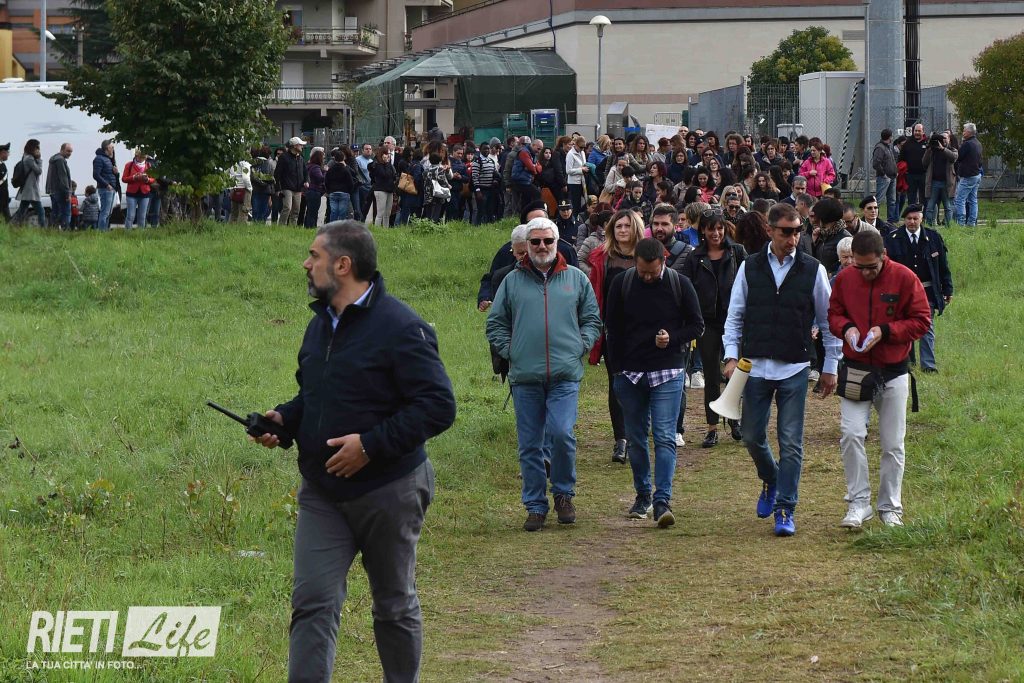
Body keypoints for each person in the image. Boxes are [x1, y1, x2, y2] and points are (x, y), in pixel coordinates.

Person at [251, 220, 456, 683]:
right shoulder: (319, 325)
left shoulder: (401, 327)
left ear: (343, 265)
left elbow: (438, 406)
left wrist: (370, 445)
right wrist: (285, 421)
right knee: (312, 602)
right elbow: (317, 396)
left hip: (390, 489)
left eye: (314, 256)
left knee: (393, 604)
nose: (306, 264)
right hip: (323, 492)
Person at [723, 202, 841, 537]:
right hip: (755, 366)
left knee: (790, 442)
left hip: (795, 366)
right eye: (786, 232)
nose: (793, 238)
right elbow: (735, 316)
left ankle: (786, 507)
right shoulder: (749, 267)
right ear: (770, 230)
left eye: (798, 231)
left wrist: (831, 365)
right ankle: (772, 479)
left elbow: (828, 321)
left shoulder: (813, 269)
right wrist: (730, 357)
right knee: (751, 435)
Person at [485, 217, 602, 531]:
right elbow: (495, 323)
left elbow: (592, 319)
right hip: (525, 376)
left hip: (565, 373)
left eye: (547, 241)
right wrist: (512, 350)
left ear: (557, 242)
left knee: (562, 433)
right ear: (527, 245)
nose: (541, 247)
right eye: (535, 241)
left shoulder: (576, 278)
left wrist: (581, 344)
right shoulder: (512, 281)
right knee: (530, 444)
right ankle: (535, 505)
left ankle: (563, 493)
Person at [829, 229, 931, 528]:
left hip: (893, 371)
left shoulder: (905, 278)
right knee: (851, 434)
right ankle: (859, 503)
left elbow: (922, 321)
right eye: (858, 266)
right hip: (856, 370)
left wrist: (885, 331)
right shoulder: (845, 279)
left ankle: (890, 507)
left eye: (871, 267)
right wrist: (846, 328)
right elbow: (833, 314)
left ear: (884, 256)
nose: (864, 273)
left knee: (893, 443)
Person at [605, 238, 703, 527]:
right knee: (636, 439)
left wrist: (672, 338)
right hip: (629, 373)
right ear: (635, 262)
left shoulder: (680, 284)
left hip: (667, 370)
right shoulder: (621, 284)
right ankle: (643, 495)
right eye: (642, 271)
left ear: (663, 261)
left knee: (664, 436)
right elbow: (611, 328)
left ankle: (662, 501)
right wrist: (617, 371)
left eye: (652, 272)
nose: (647, 277)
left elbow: (697, 325)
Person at [681, 207, 747, 447]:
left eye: (720, 228)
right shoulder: (694, 257)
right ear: (703, 231)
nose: (716, 233)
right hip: (707, 322)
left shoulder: (737, 252)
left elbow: (747, 283)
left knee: (736, 373)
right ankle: (712, 427)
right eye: (711, 229)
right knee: (710, 375)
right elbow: (687, 289)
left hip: (734, 321)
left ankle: (734, 419)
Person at [587, 209, 645, 463]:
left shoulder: (648, 254)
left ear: (636, 228)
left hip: (644, 331)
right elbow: (594, 294)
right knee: (617, 384)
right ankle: (621, 438)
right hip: (613, 330)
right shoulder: (603, 257)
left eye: (627, 226)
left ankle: (638, 434)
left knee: (642, 384)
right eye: (618, 226)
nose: (622, 230)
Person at [883, 204, 953, 373]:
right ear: (904, 220)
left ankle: (928, 365)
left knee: (927, 326)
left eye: (915, 218)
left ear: (921, 219)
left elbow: (943, 266)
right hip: (901, 292)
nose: (912, 222)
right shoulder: (892, 239)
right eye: (909, 219)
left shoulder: (933, 238)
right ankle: (908, 362)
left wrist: (948, 289)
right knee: (905, 326)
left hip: (926, 291)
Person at [923, 131, 958, 227]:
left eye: (945, 138)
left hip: (947, 183)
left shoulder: (952, 150)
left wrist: (943, 149)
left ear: (949, 139)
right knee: (930, 206)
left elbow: (953, 158)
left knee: (948, 207)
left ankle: (948, 226)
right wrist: (929, 148)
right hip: (934, 182)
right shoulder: (932, 151)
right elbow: (924, 163)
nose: (943, 140)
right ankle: (929, 226)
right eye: (941, 138)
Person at [953, 122, 983, 227]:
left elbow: (959, 157)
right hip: (977, 174)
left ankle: (961, 222)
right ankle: (972, 222)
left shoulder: (967, 144)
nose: (963, 132)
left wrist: (960, 145)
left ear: (969, 132)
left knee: (960, 199)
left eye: (964, 131)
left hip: (968, 176)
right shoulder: (978, 143)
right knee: (973, 200)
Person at [276, 137, 308, 226]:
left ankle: (292, 228)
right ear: (295, 146)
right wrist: (278, 188)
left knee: (296, 210)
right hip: (287, 187)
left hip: (298, 188)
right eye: (300, 145)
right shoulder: (283, 157)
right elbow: (277, 173)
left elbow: (305, 172)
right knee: (287, 207)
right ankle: (281, 227)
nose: (302, 147)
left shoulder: (300, 158)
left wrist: (306, 181)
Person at [13, 139, 44, 226]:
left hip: (27, 189)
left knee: (22, 210)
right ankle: (43, 229)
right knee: (41, 211)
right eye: (37, 147)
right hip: (31, 190)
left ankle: (13, 225)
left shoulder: (25, 156)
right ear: (32, 147)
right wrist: (39, 159)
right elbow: (39, 171)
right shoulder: (29, 159)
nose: (38, 149)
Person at [899, 123, 929, 207]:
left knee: (924, 198)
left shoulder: (927, 143)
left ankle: (923, 214)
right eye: (915, 131)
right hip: (910, 175)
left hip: (924, 174)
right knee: (911, 198)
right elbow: (901, 158)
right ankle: (911, 212)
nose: (917, 133)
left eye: (919, 131)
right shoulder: (907, 143)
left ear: (923, 132)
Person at [45, 142, 73, 229]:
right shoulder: (60, 160)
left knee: (55, 212)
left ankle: (53, 230)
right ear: (62, 150)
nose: (70, 153)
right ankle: (65, 230)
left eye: (71, 151)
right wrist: (68, 193)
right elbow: (63, 177)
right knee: (66, 212)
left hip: (53, 191)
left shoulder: (54, 159)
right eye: (68, 151)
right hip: (61, 192)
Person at [304, 148, 327, 228]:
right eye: (323, 157)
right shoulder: (316, 167)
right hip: (314, 191)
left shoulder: (309, 166)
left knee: (310, 211)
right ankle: (311, 227)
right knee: (313, 211)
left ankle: (308, 226)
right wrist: (325, 171)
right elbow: (320, 178)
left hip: (310, 191)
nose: (323, 159)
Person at [354, 142, 374, 222]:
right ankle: (357, 223)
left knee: (366, 208)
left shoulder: (371, 161)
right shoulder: (358, 160)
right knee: (360, 207)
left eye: (370, 149)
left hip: (370, 187)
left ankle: (362, 223)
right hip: (362, 188)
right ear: (362, 150)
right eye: (366, 149)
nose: (368, 150)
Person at [229, 158, 253, 223]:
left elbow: (230, 176)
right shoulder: (245, 163)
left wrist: (232, 188)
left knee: (234, 213)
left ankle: (231, 228)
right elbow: (245, 178)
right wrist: (250, 188)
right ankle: (241, 228)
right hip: (244, 190)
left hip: (234, 189)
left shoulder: (233, 164)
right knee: (243, 213)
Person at [0, 142, 10, 222]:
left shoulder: (2, 164)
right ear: (2, 153)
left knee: (7, 218)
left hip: (3, 198)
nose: (8, 155)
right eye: (7, 153)